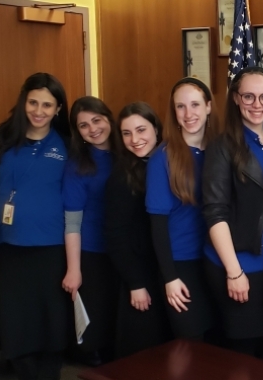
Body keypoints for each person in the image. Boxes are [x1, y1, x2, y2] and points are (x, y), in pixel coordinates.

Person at [202, 66, 263, 361]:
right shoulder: (222, 146)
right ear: (236, 99)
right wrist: (234, 271)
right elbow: (215, 212)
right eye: (249, 96)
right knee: (244, 355)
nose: (257, 104)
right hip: (240, 265)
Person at [0, 72, 72, 380]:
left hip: (53, 247)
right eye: (33, 102)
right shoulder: (0, 140)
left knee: (50, 319)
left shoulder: (67, 144)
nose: (39, 111)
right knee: (15, 319)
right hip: (10, 246)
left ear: (58, 109)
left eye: (47, 105)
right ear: (24, 102)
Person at [145, 77, 220, 340]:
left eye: (195, 105)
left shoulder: (220, 151)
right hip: (181, 265)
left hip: (216, 261)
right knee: (192, 344)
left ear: (208, 106)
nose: (189, 114)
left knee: (219, 347)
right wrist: (170, 278)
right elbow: (158, 225)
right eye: (181, 107)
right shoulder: (163, 158)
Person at [105, 101, 172, 358]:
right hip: (141, 275)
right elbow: (115, 235)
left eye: (141, 130)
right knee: (144, 353)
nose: (135, 139)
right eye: (126, 133)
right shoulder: (122, 175)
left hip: (169, 267)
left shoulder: (169, 161)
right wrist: (135, 283)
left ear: (156, 128)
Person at [62, 96, 118, 365]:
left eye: (97, 120)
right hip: (93, 252)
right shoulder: (78, 165)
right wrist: (74, 269)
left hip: (128, 251)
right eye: (83, 125)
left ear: (108, 118)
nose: (92, 128)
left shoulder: (130, 150)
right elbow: (72, 222)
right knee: (97, 329)